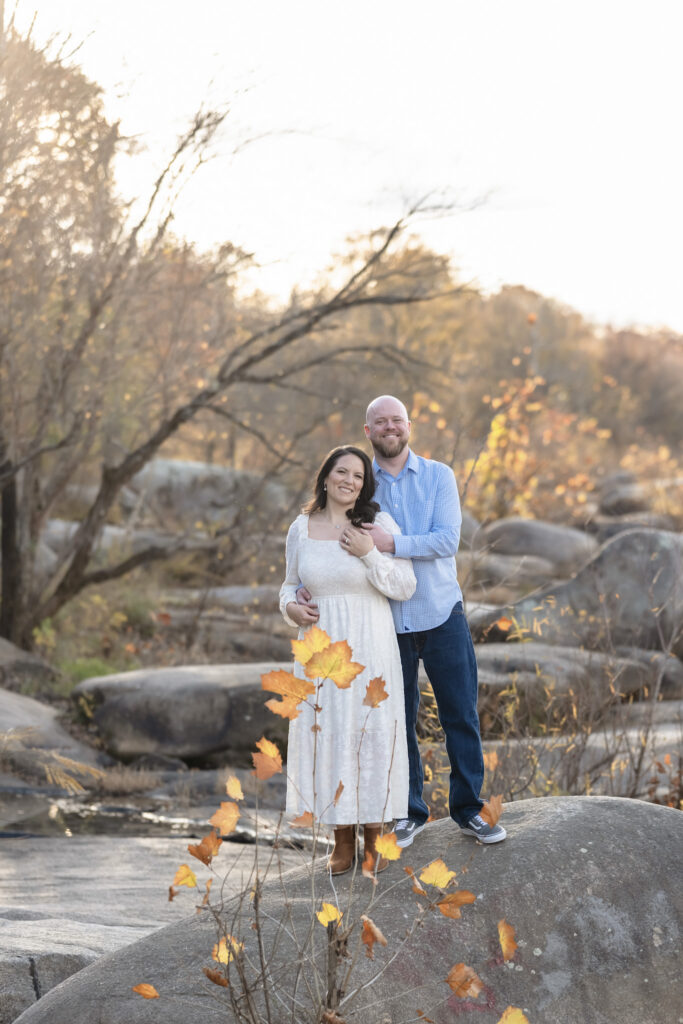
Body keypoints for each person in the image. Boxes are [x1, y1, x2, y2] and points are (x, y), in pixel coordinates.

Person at [298, 396, 506, 847]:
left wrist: (391, 543)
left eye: (396, 420)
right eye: (380, 422)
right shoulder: (361, 484)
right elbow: (336, 541)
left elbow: (448, 539)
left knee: (461, 714)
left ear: (408, 426)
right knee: (396, 718)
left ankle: (469, 809)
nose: (389, 427)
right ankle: (410, 812)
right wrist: (303, 588)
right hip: (386, 623)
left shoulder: (437, 476)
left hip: (440, 612)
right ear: (368, 430)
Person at [279, 445, 416, 874]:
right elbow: (288, 586)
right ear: (325, 477)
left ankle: (373, 839)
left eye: (358, 476)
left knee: (371, 733)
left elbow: (405, 586)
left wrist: (369, 553)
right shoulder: (301, 528)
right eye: (342, 472)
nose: (350, 481)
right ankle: (340, 840)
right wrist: (291, 608)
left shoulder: (378, 525)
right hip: (321, 650)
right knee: (331, 734)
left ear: (365, 485)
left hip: (370, 644)